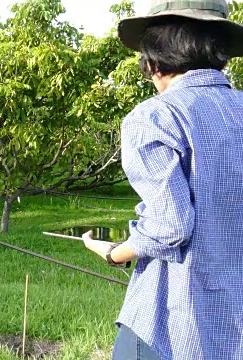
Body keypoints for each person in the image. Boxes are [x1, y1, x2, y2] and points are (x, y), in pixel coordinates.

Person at [82, 1, 243, 359]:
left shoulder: (155, 117)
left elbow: (171, 226)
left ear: (153, 62)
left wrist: (114, 253)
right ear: (222, 54)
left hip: (175, 324)